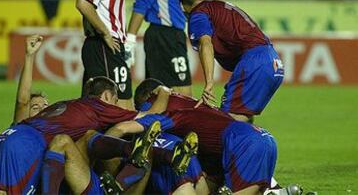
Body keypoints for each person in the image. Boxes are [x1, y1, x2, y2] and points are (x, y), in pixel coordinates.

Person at [0, 76, 177, 194]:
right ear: (105, 97)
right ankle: (135, 152)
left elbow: (22, 104)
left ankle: (132, 153)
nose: (116, 105)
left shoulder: (64, 105)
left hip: (7, 136)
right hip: (28, 145)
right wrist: (164, 91)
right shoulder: (99, 107)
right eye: (115, 100)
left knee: (75, 139)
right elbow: (153, 113)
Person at [110, 80, 301, 195]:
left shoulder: (168, 110)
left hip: (240, 142)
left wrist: (103, 145)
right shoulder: (193, 104)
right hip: (261, 136)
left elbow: (127, 126)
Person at [178, 0, 284, 122]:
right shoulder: (218, 6)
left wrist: (209, 82)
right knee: (242, 116)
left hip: (255, 62)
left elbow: (206, 43)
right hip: (273, 62)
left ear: (182, 5)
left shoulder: (198, 13)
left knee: (226, 122)